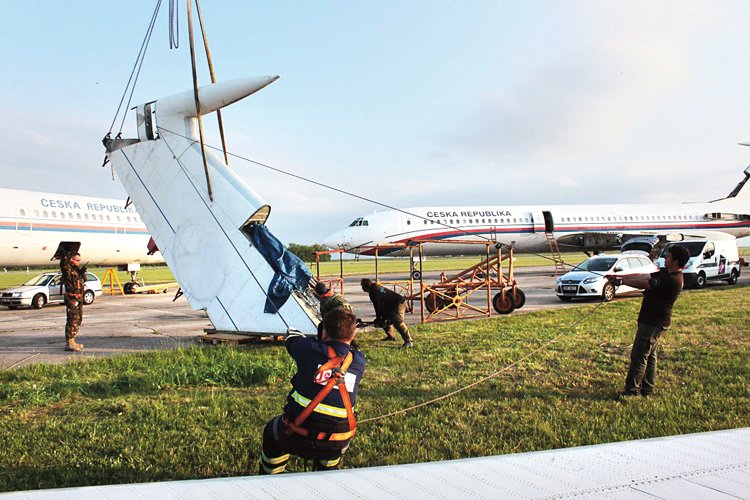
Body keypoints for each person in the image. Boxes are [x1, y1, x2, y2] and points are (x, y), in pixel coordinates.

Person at [259, 307, 365, 474]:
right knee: (334, 440)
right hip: (339, 438)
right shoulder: (359, 360)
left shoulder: (308, 348)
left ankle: (272, 475)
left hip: (297, 433)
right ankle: (326, 470)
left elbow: (292, 338)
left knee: (271, 432)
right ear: (352, 335)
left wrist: (306, 336)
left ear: (323, 332)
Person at [611, 245, 690, 398]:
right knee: (650, 355)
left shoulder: (671, 279)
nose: (665, 258)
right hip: (654, 321)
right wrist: (620, 276)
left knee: (639, 355)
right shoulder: (666, 274)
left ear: (675, 261)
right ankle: (647, 389)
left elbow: (644, 283)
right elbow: (644, 276)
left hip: (653, 322)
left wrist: (620, 281)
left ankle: (631, 392)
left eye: (668, 256)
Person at [360, 278, 413, 349]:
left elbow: (378, 307)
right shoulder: (376, 288)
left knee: (398, 322)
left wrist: (379, 318)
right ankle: (391, 336)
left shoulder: (374, 293)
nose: (362, 288)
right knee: (385, 320)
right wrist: (382, 318)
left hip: (398, 303)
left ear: (366, 286)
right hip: (392, 304)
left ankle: (408, 341)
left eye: (362, 286)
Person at [60, 252, 86, 351]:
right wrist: (66, 255)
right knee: (72, 320)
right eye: (77, 260)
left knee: (78, 319)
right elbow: (63, 264)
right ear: (71, 260)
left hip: (78, 299)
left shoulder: (76, 271)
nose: (79, 262)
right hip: (72, 299)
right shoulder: (68, 270)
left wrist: (82, 273)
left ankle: (72, 340)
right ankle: (69, 342)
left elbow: (82, 281)